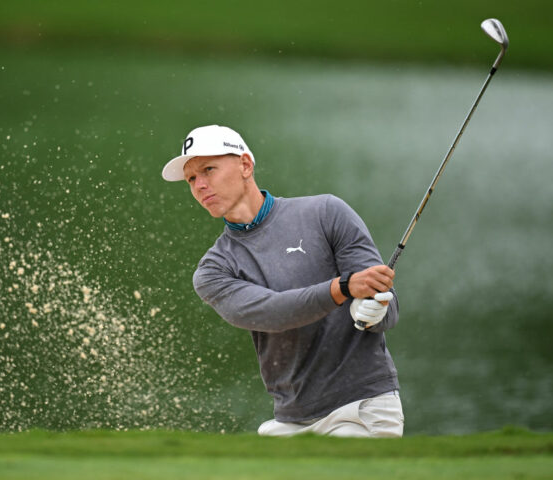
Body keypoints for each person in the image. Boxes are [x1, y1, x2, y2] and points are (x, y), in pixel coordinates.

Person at [162, 125, 404, 437]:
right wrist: (342, 289)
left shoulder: (327, 212)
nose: (200, 185)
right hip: (290, 420)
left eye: (209, 169)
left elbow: (388, 306)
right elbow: (273, 313)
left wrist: (377, 308)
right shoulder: (213, 270)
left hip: (360, 407)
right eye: (192, 178)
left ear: (245, 165)